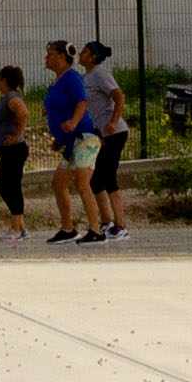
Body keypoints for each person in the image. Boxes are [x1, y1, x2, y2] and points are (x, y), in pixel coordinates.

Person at [39, 43, 91, 242]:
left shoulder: (71, 77)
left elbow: (81, 102)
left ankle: (96, 229)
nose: (46, 58)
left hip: (83, 137)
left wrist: (74, 122)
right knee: (58, 182)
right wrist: (58, 139)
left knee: (82, 183)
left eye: (50, 54)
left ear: (62, 57)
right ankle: (68, 228)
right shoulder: (57, 81)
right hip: (69, 142)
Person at [80, 41, 129, 242]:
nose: (81, 54)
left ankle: (120, 225)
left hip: (114, 133)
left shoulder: (100, 74)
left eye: (84, 51)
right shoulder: (86, 77)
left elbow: (119, 97)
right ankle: (106, 221)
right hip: (99, 135)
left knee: (108, 176)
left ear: (93, 56)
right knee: (95, 179)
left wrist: (113, 122)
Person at [0, 55, 30, 236]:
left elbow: (23, 113)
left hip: (14, 150)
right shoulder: (8, 98)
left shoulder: (12, 97)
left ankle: (16, 227)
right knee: (8, 186)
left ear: (4, 80)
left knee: (9, 187)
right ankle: (20, 227)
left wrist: (16, 136)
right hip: (9, 151)